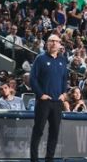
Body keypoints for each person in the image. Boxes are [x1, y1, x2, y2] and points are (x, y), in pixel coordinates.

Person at [29, 34, 68, 162]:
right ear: (47, 43)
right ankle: (34, 160)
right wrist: (40, 94)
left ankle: (49, 159)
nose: (54, 43)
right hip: (43, 102)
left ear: (60, 44)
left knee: (54, 132)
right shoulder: (40, 59)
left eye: (56, 41)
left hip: (57, 103)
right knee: (38, 130)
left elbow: (64, 79)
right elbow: (33, 79)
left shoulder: (63, 60)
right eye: (51, 41)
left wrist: (64, 93)